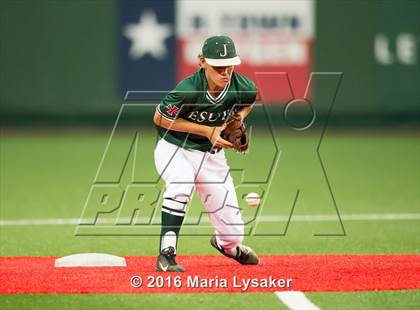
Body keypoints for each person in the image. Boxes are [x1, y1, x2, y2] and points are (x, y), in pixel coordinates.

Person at [154, 35, 259, 272]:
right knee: (181, 184)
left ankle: (227, 246)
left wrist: (238, 118)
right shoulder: (188, 90)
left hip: (212, 157)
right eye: (218, 67)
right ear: (202, 62)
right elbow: (160, 118)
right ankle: (166, 254)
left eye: (229, 66)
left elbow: (249, 102)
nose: (225, 72)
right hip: (175, 149)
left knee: (234, 233)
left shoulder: (243, 87)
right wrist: (206, 130)